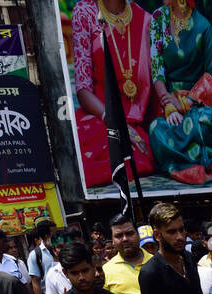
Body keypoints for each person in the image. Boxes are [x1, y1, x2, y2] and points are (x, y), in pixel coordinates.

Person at [70, 0, 159, 188]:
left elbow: (152, 91)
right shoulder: (85, 12)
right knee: (83, 156)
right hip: (100, 117)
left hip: (134, 124)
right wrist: (116, 123)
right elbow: (83, 89)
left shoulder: (145, 20)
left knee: (137, 157)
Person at [147, 0, 212, 184]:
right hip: (168, 103)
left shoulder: (202, 25)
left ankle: (184, 158)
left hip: (197, 103)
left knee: (203, 123)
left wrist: (187, 102)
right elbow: (156, 69)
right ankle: (197, 156)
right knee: (156, 129)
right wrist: (169, 105)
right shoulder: (158, 18)